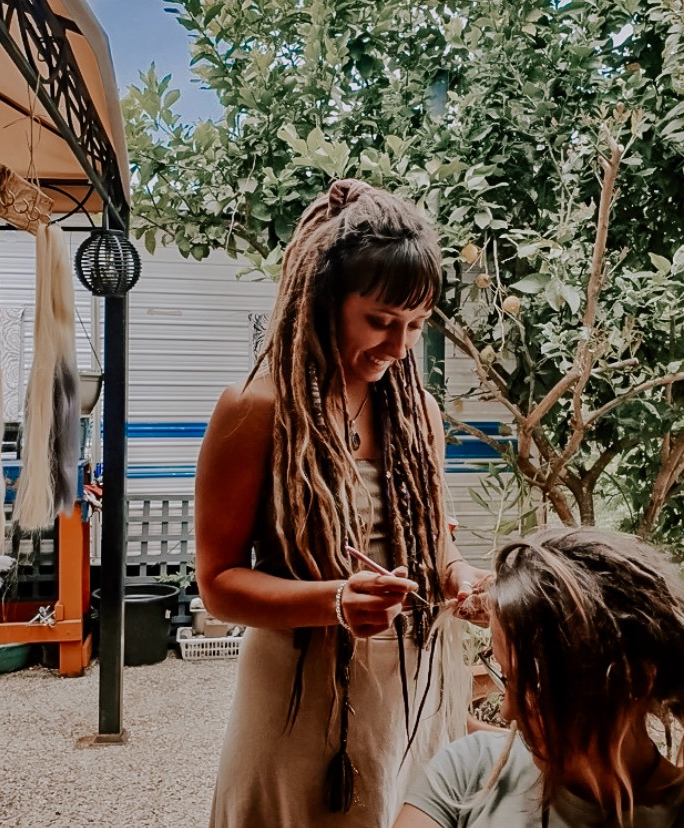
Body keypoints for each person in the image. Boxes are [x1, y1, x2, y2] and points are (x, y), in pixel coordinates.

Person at [195, 178, 490, 827]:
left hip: (414, 700)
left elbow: (435, 551)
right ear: (324, 299)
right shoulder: (254, 410)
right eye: (381, 322)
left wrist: (463, 582)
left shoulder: (420, 415)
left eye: (415, 325)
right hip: (300, 710)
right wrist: (331, 602)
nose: (400, 346)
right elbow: (217, 584)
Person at [396, 527, 684, 828]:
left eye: (531, 686)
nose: (507, 711)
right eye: (505, 677)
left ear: (633, 684)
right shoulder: (468, 772)